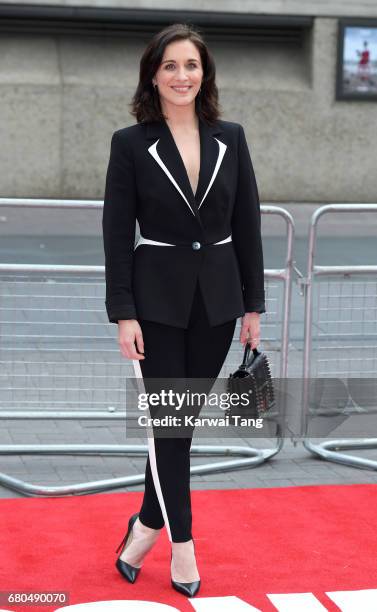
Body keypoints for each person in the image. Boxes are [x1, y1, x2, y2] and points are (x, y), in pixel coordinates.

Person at [102, 22, 266, 598]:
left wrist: (254, 304)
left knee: (179, 427)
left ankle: (144, 525)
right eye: (170, 65)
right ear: (153, 74)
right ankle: (182, 547)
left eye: (191, 65)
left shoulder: (232, 137)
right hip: (156, 305)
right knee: (170, 429)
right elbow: (117, 232)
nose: (181, 76)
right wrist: (123, 311)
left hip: (220, 303)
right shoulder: (131, 143)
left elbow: (247, 222)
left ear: (205, 73)